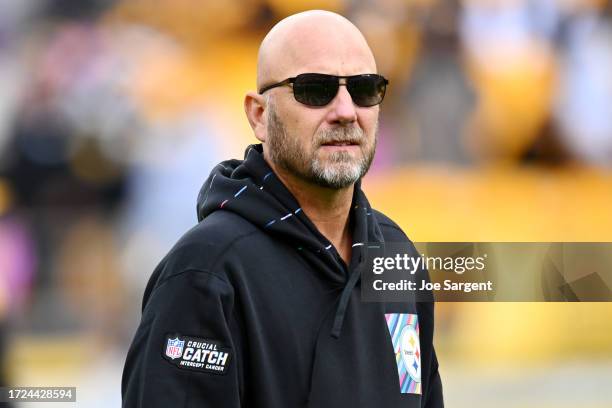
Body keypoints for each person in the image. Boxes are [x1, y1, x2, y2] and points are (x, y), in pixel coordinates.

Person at [121, 10, 443, 408]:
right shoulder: (207, 271)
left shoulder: (397, 258)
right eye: (313, 89)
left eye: (363, 89)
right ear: (259, 114)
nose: (345, 111)